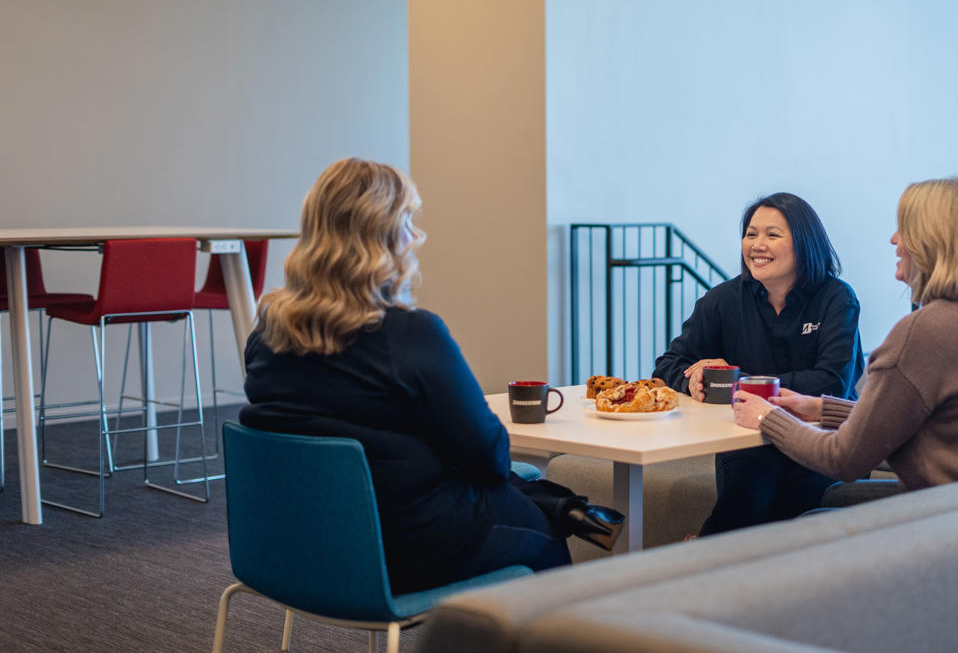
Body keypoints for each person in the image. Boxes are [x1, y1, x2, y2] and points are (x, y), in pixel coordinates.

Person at [241, 158, 620, 594]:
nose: (414, 237)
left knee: (518, 497)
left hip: (296, 543)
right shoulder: (410, 333)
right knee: (541, 531)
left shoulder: (267, 332)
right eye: (406, 221)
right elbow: (490, 455)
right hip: (404, 548)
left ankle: (562, 510)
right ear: (381, 237)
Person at [731, 176, 958, 500]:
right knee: (834, 499)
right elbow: (926, 420)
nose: (894, 239)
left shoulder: (924, 333)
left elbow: (843, 459)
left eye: (905, 230)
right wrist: (822, 408)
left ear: (934, 242)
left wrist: (766, 417)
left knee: (808, 520)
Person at [652, 192, 865, 535]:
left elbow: (830, 383)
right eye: (751, 234)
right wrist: (695, 379)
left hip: (822, 437)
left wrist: (739, 381)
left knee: (800, 511)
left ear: (805, 243)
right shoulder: (722, 300)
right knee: (744, 504)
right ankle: (703, 574)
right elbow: (669, 363)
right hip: (747, 440)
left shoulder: (837, 297)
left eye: (772, 235)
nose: (757, 245)